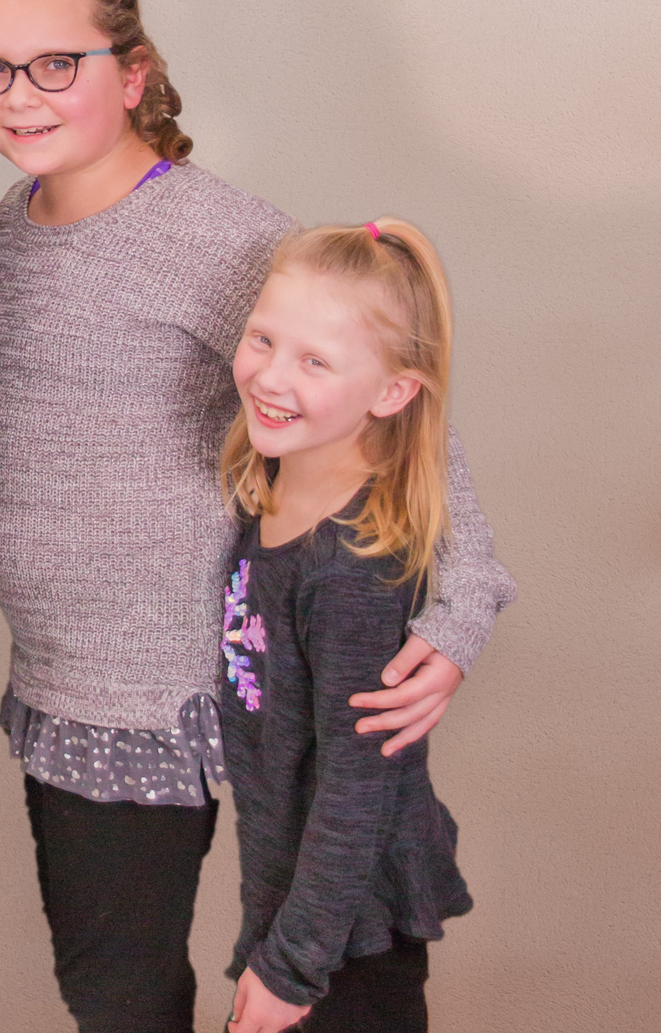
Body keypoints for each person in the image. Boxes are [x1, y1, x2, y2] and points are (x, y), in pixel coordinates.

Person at [0, 0, 513, 1032]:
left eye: (56, 64)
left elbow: (394, 406)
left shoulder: (213, 234)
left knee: (279, 960)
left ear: (133, 75)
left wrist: (461, 606)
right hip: (71, 678)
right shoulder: (13, 221)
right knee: (110, 986)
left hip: (189, 676)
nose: (18, 95)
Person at [218, 218, 474, 1033]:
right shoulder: (269, 487)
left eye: (315, 361)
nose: (270, 375)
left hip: (347, 930)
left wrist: (292, 965)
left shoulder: (350, 568)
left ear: (392, 392)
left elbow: (357, 787)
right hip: (297, 903)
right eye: (264, 338)